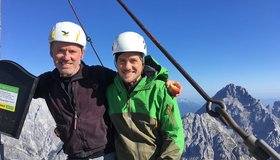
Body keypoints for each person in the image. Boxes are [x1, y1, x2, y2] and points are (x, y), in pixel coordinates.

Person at [33, 21, 182, 160]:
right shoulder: (46, 82)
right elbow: (19, 87)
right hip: (75, 155)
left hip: (106, 155)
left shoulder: (99, 76)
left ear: (82, 54)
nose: (66, 57)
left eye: (72, 51)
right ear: (51, 52)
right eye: (60, 50)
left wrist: (163, 81)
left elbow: (174, 134)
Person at [106, 31, 184, 159]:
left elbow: (174, 134)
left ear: (142, 62)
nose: (127, 66)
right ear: (116, 62)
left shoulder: (161, 91)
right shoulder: (110, 91)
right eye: (122, 60)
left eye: (133, 61)